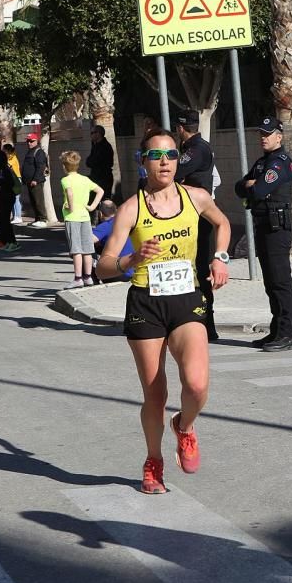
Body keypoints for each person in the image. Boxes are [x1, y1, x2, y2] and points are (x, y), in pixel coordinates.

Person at [96, 129, 231, 495]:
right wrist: (131, 258)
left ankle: (184, 428)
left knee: (198, 384)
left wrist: (220, 258)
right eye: (157, 156)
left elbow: (223, 223)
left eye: (171, 155)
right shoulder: (131, 208)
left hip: (186, 297)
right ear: (144, 163)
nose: (165, 162)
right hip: (146, 301)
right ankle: (153, 461)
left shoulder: (197, 197)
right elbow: (103, 266)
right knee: (155, 395)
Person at [234, 116, 292, 352]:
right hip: (263, 225)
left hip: (277, 228)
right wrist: (249, 185)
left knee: (280, 281)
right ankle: (276, 330)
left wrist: (252, 185)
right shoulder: (263, 163)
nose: (263, 138)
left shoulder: (280, 163)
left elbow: (259, 189)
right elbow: (238, 187)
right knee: (271, 283)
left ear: (279, 136)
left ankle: (288, 334)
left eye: (268, 134)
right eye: (261, 133)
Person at [175, 109, 219, 342]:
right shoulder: (197, 146)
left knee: (199, 270)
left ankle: (207, 324)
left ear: (181, 128)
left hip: (199, 216)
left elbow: (176, 172)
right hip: (191, 215)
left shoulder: (196, 149)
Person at [59, 150, 105, 288]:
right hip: (85, 217)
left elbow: (70, 193)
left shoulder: (65, 180)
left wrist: (70, 207)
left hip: (72, 217)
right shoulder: (85, 179)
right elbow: (100, 191)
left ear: (64, 166)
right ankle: (88, 277)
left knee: (76, 249)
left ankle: (78, 278)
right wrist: (92, 207)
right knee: (87, 249)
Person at [92, 199, 134, 283]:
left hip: (118, 273)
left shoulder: (105, 226)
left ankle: (90, 281)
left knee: (85, 252)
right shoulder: (127, 222)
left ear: (100, 214)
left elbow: (86, 242)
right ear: (116, 210)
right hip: (134, 270)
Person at [0, 149, 20, 252]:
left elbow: (9, 183)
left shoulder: (5, 169)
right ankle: (6, 241)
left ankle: (13, 242)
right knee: (2, 220)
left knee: (6, 221)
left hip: (6, 197)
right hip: (0, 197)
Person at [21, 134, 49, 227]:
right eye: (28, 141)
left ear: (37, 141)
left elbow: (40, 167)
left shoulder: (38, 152)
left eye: (31, 141)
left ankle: (42, 219)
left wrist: (35, 179)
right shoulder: (30, 151)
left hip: (35, 181)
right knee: (33, 201)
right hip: (29, 181)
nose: (29, 143)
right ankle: (37, 219)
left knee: (38, 201)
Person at [86, 124, 115, 201]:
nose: (91, 135)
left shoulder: (105, 147)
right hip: (96, 177)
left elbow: (95, 161)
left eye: (92, 133)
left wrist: (91, 161)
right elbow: (88, 161)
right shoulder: (95, 146)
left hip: (103, 178)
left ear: (98, 134)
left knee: (104, 201)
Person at [3, 143, 24, 225]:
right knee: (12, 199)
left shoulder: (12, 158)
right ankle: (15, 216)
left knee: (16, 199)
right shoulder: (9, 158)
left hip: (16, 179)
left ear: (7, 151)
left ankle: (18, 216)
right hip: (12, 179)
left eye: (4, 150)